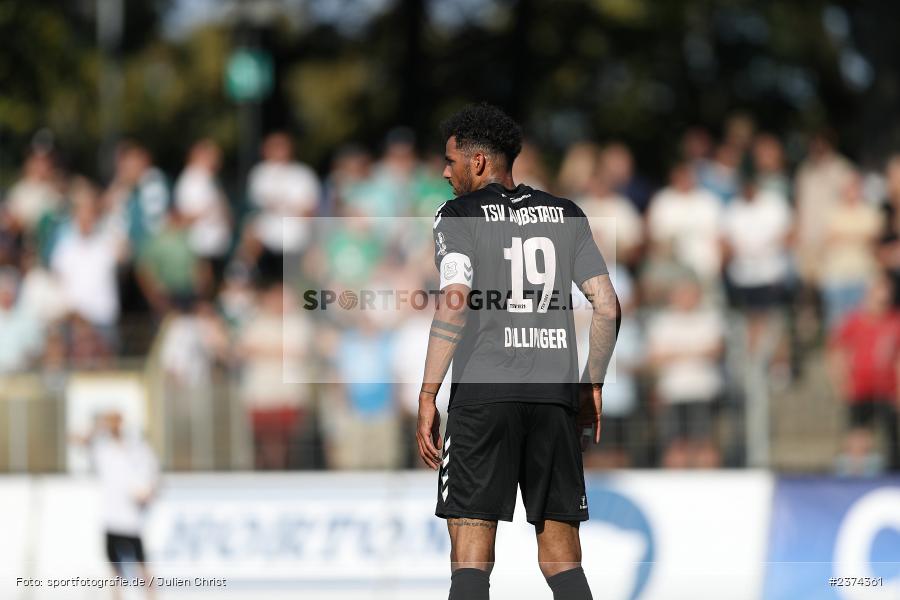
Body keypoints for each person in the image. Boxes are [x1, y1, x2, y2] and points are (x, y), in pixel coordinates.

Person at [416, 103, 619, 600]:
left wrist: (427, 393)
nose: (445, 172)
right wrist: (590, 383)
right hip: (553, 398)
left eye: (450, 161)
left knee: (470, 557)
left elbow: (456, 301)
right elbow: (608, 306)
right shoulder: (566, 213)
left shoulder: (457, 214)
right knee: (562, 558)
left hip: (483, 399)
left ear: (479, 163)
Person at [71, 409, 160, 600]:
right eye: (111, 421)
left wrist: (148, 493)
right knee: (115, 574)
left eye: (116, 421)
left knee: (142, 567)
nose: (114, 425)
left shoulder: (138, 448)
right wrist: (99, 427)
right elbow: (77, 440)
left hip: (132, 520)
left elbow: (154, 477)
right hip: (111, 519)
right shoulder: (103, 449)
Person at [828, 275, 900, 471]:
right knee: (858, 433)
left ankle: (892, 473)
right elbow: (838, 352)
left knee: (892, 436)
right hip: (860, 386)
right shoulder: (854, 321)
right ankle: (855, 474)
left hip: (887, 389)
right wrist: (841, 383)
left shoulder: (894, 321)